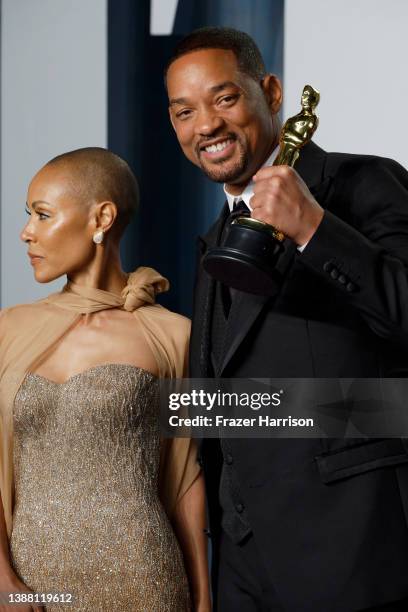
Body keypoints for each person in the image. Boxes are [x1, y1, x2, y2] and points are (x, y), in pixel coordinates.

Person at [165, 26, 408, 612]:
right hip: (244, 569)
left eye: (225, 99)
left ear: (271, 93)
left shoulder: (363, 182)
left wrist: (315, 229)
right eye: (184, 112)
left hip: (355, 556)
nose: (206, 127)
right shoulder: (213, 241)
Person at [0, 147, 211, 611]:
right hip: (32, 584)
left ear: (102, 218)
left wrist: (203, 599)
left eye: (42, 215)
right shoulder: (7, 329)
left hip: (144, 579)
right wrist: (2, 579)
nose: (26, 232)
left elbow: (186, 476)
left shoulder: (172, 334)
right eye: (28, 215)